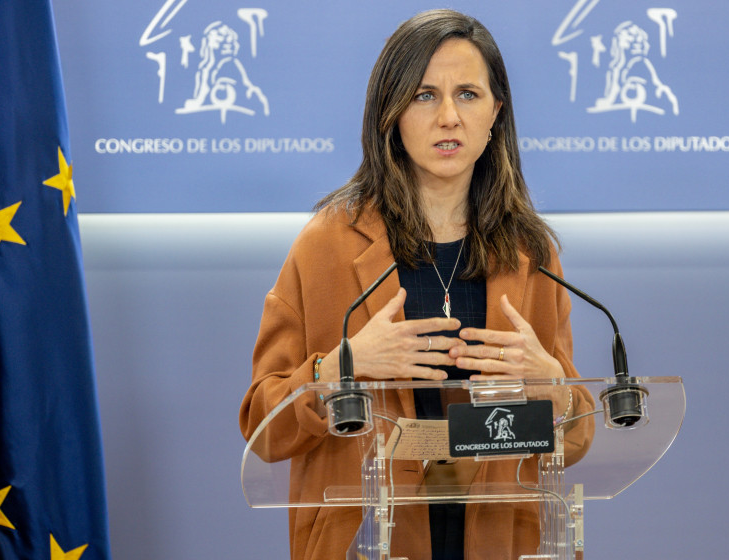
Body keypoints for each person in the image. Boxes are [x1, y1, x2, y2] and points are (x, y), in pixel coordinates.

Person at [240, 9, 594, 560]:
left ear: (497, 112)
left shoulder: (532, 252)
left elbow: (576, 438)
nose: (448, 116)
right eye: (425, 95)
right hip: (369, 539)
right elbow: (263, 429)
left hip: (502, 536)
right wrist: (337, 370)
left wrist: (555, 387)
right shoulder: (328, 243)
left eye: (469, 94)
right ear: (391, 112)